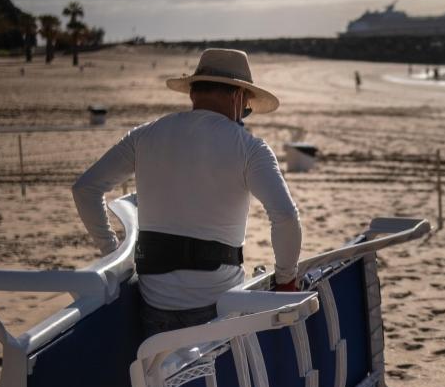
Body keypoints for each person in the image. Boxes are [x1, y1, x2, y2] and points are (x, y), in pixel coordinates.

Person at [73, 48, 302, 337]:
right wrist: (285, 281)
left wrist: (114, 253)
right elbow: (285, 217)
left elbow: (85, 189)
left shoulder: (144, 135)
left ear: (194, 93)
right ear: (237, 97)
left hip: (154, 306)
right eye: (247, 107)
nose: (244, 113)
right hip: (220, 307)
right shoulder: (249, 147)